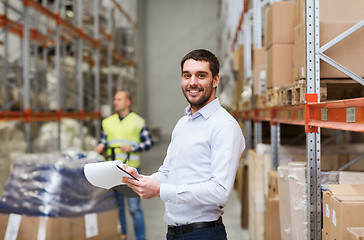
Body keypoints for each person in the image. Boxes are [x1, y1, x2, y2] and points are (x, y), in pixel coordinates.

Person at [122, 49, 245, 240]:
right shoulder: (183, 123)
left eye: (201, 75)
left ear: (215, 80)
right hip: (173, 233)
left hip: (203, 234)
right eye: (187, 75)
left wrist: (160, 190)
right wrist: (142, 180)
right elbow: (167, 172)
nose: (192, 82)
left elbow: (220, 191)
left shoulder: (225, 126)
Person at [95, 91, 153, 240]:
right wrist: (100, 146)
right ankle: (123, 236)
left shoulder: (137, 121)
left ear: (128, 102)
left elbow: (148, 143)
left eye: (119, 99)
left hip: (131, 171)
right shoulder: (108, 122)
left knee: (134, 208)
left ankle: (141, 238)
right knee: (119, 208)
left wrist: (132, 148)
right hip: (113, 171)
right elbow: (104, 140)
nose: (115, 102)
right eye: (114, 99)